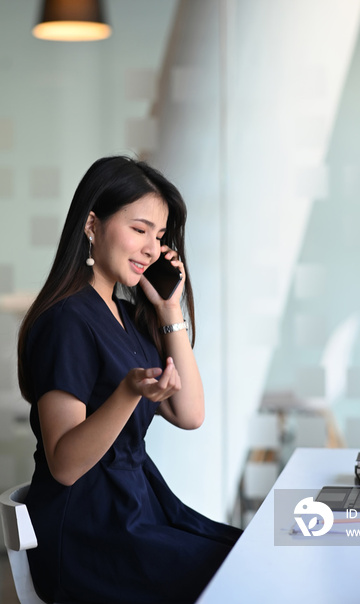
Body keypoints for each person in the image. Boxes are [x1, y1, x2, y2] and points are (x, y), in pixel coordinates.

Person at [17, 155, 242, 604]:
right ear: (91, 225)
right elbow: (64, 465)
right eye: (139, 230)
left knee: (250, 557)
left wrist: (168, 310)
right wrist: (127, 393)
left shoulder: (125, 317)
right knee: (241, 577)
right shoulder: (67, 321)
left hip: (138, 509)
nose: (152, 248)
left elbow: (190, 413)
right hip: (88, 531)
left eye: (158, 237)